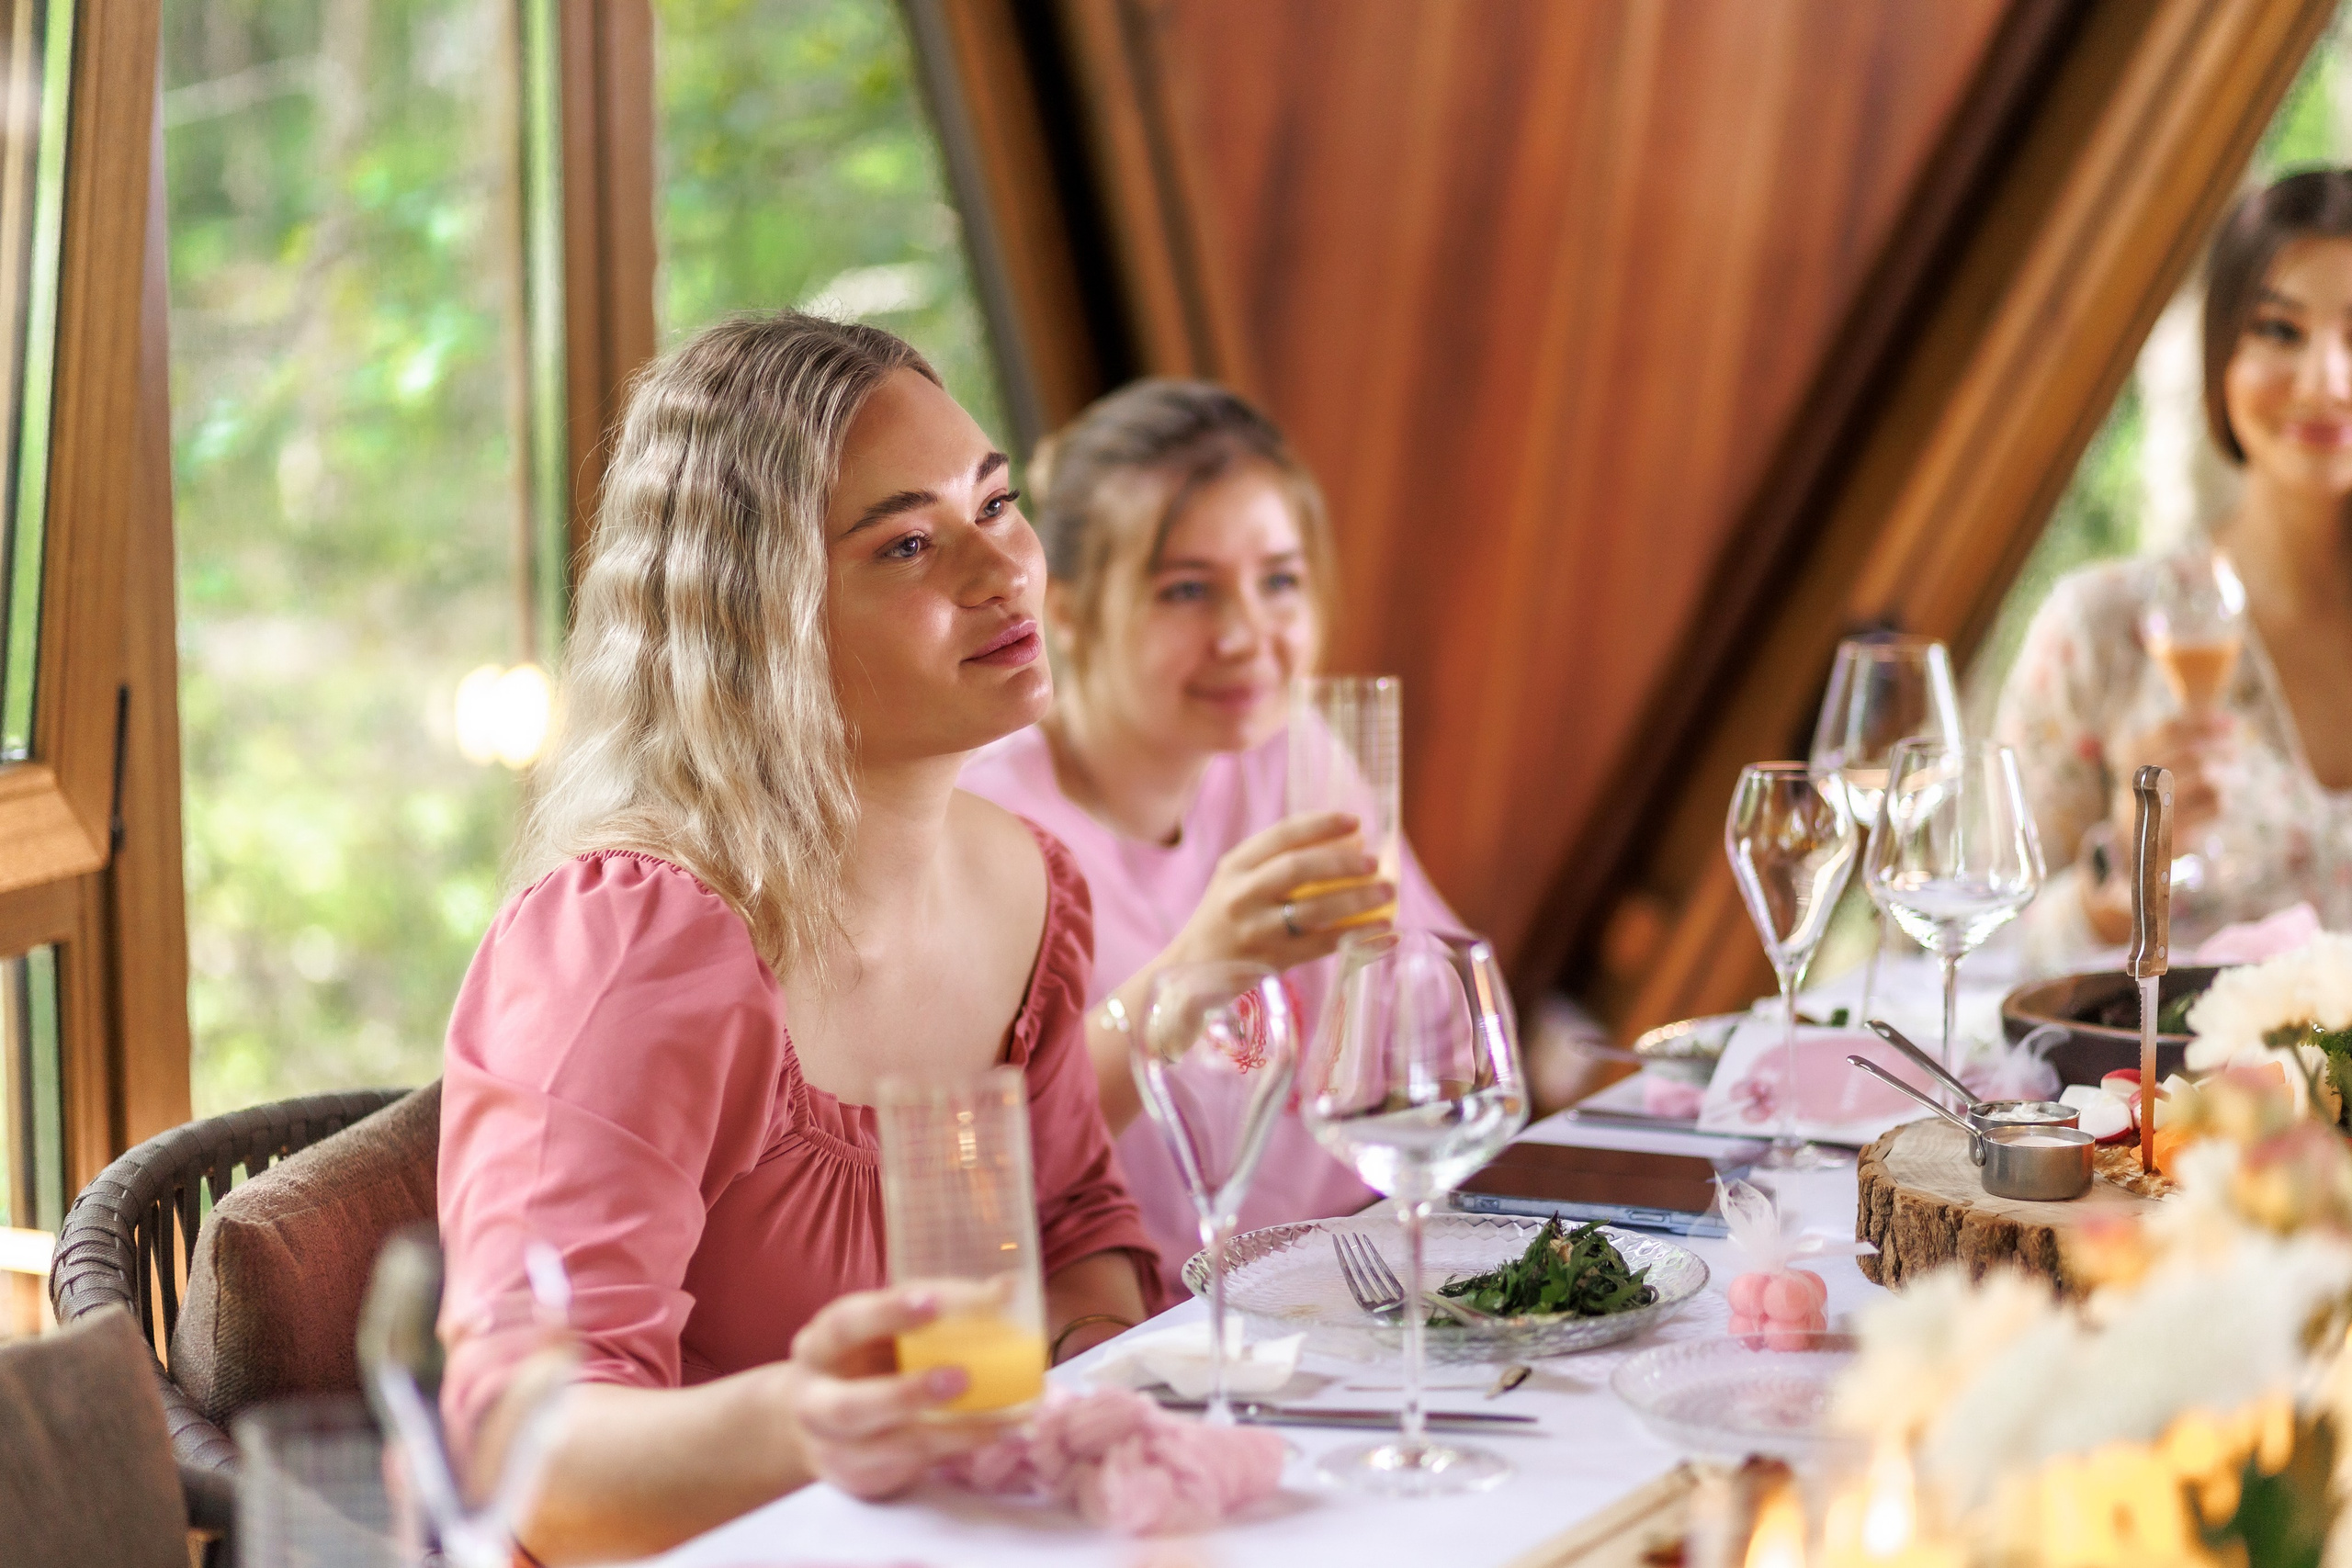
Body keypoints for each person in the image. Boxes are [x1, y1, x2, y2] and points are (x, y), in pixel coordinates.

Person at [435, 314, 1157, 1562]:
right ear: (759, 619)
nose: (1006, 571)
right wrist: (806, 1421)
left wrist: (1083, 1386)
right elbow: (525, 1457)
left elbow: (1079, 1227)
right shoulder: (634, 945)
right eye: (912, 543)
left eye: (999, 502)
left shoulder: (1028, 884)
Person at [958, 378, 1459, 1292]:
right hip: (1129, 1331)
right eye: (1186, 590)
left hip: (1344, 1284)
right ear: (1063, 607)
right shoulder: (984, 822)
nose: (1245, 636)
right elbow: (976, 1170)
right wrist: (1194, 971)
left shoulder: (1289, 748)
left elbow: (1439, 1033)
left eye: (1277, 580)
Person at [1996, 169, 2352, 965]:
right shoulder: (2101, 633)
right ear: (2221, 353)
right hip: (2174, 1091)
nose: (2326, 382)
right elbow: (1971, 955)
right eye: (2280, 331)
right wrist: (2116, 866)